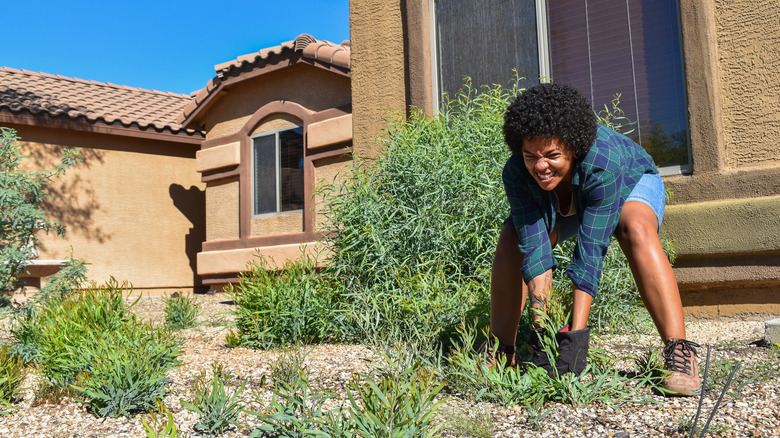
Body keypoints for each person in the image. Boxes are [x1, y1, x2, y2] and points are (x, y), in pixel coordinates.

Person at [487, 82, 701, 396]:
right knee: (510, 238)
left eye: (552, 155)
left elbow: (591, 249)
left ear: (573, 146)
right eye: (530, 155)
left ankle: (680, 352)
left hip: (629, 182)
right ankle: (502, 353)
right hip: (566, 199)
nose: (540, 165)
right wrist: (542, 329)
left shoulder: (605, 161)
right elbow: (535, 250)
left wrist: (576, 335)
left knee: (634, 227)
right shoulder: (518, 172)